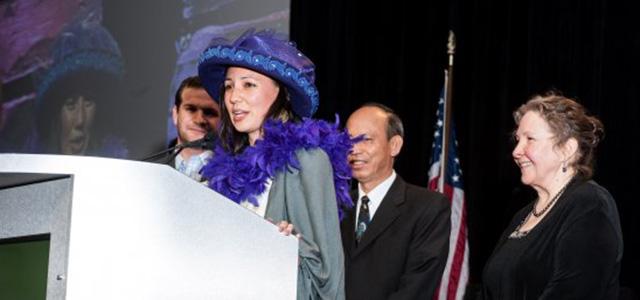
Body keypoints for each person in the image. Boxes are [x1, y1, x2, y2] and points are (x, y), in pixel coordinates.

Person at [197, 29, 353, 299]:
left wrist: (289, 248)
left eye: (248, 84)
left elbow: (328, 275)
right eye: (229, 86)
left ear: (281, 92)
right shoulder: (228, 168)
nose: (234, 97)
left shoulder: (307, 160)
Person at [482, 93, 623, 299]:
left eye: (530, 139)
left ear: (567, 149)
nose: (516, 151)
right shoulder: (521, 216)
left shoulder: (590, 205)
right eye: (517, 140)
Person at [342, 103, 451, 300]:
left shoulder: (428, 207)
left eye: (366, 139)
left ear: (394, 145)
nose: (354, 149)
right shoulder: (333, 205)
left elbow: (416, 287)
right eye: (348, 140)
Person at [35, 20, 128, 158]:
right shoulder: (33, 170)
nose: (80, 120)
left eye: (88, 102)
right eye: (70, 105)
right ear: (55, 113)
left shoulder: (115, 171)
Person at [169, 75, 220, 181]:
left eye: (209, 112)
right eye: (191, 109)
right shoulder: (145, 170)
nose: (199, 120)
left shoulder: (236, 178)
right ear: (175, 114)